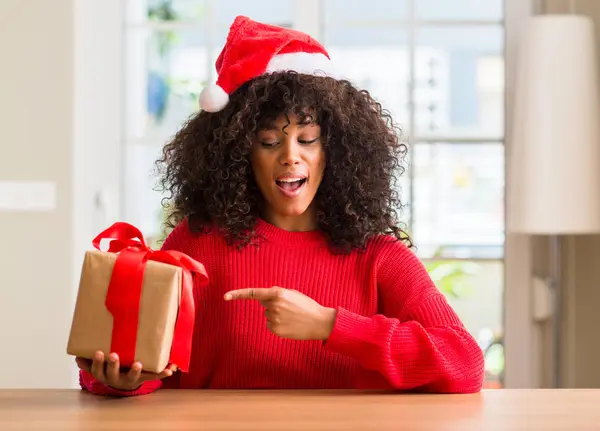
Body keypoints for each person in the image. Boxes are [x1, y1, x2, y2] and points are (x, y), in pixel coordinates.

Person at [76, 15, 485, 397]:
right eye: (270, 142)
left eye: (307, 140)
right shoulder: (198, 243)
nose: (290, 156)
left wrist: (329, 325)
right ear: (240, 153)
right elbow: (153, 369)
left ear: (335, 152)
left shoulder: (379, 257)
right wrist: (120, 381)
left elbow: (465, 363)